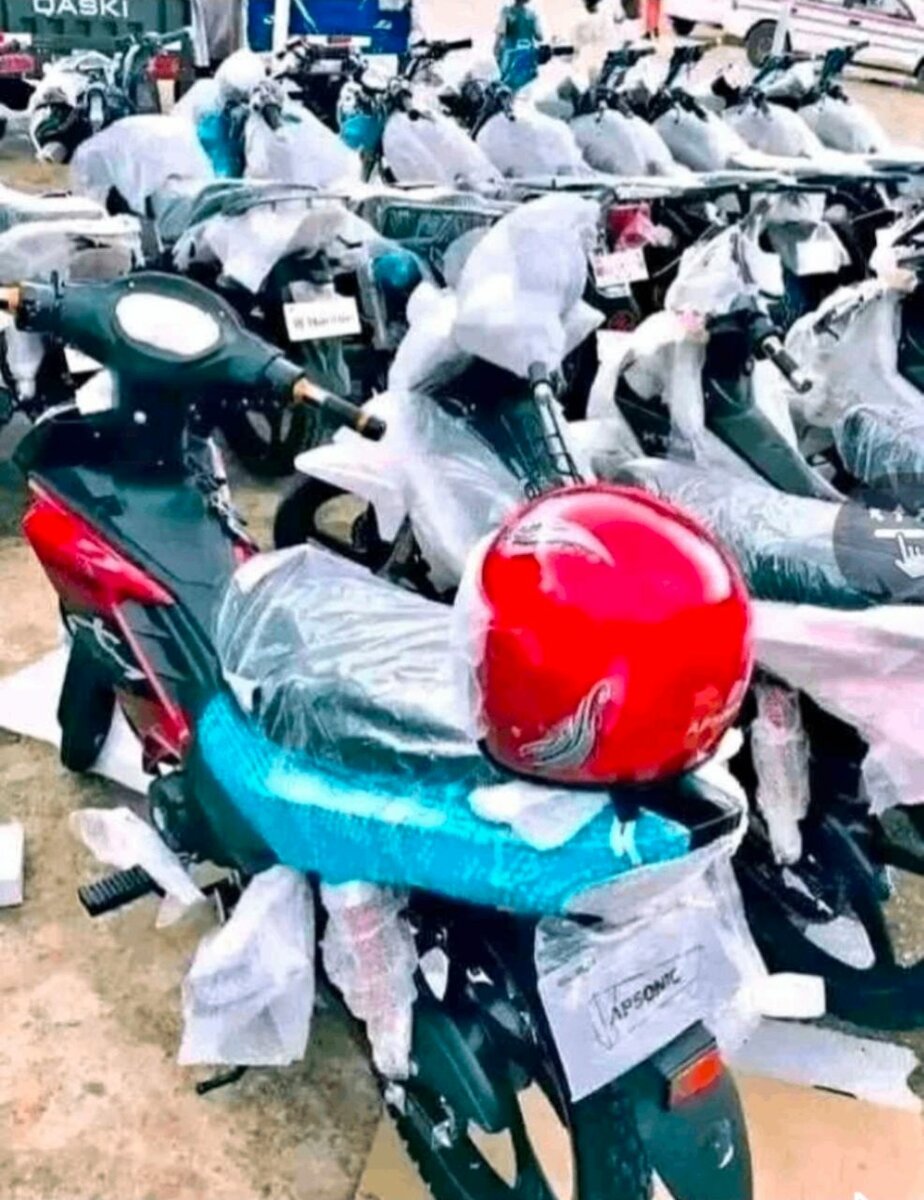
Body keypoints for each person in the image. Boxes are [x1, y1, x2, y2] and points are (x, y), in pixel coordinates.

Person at [494, 0, 545, 88]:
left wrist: (496, 47)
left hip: (510, 54)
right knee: (525, 83)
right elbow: (539, 36)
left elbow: (500, 33)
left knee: (507, 81)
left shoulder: (507, 12)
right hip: (527, 54)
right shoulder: (532, 15)